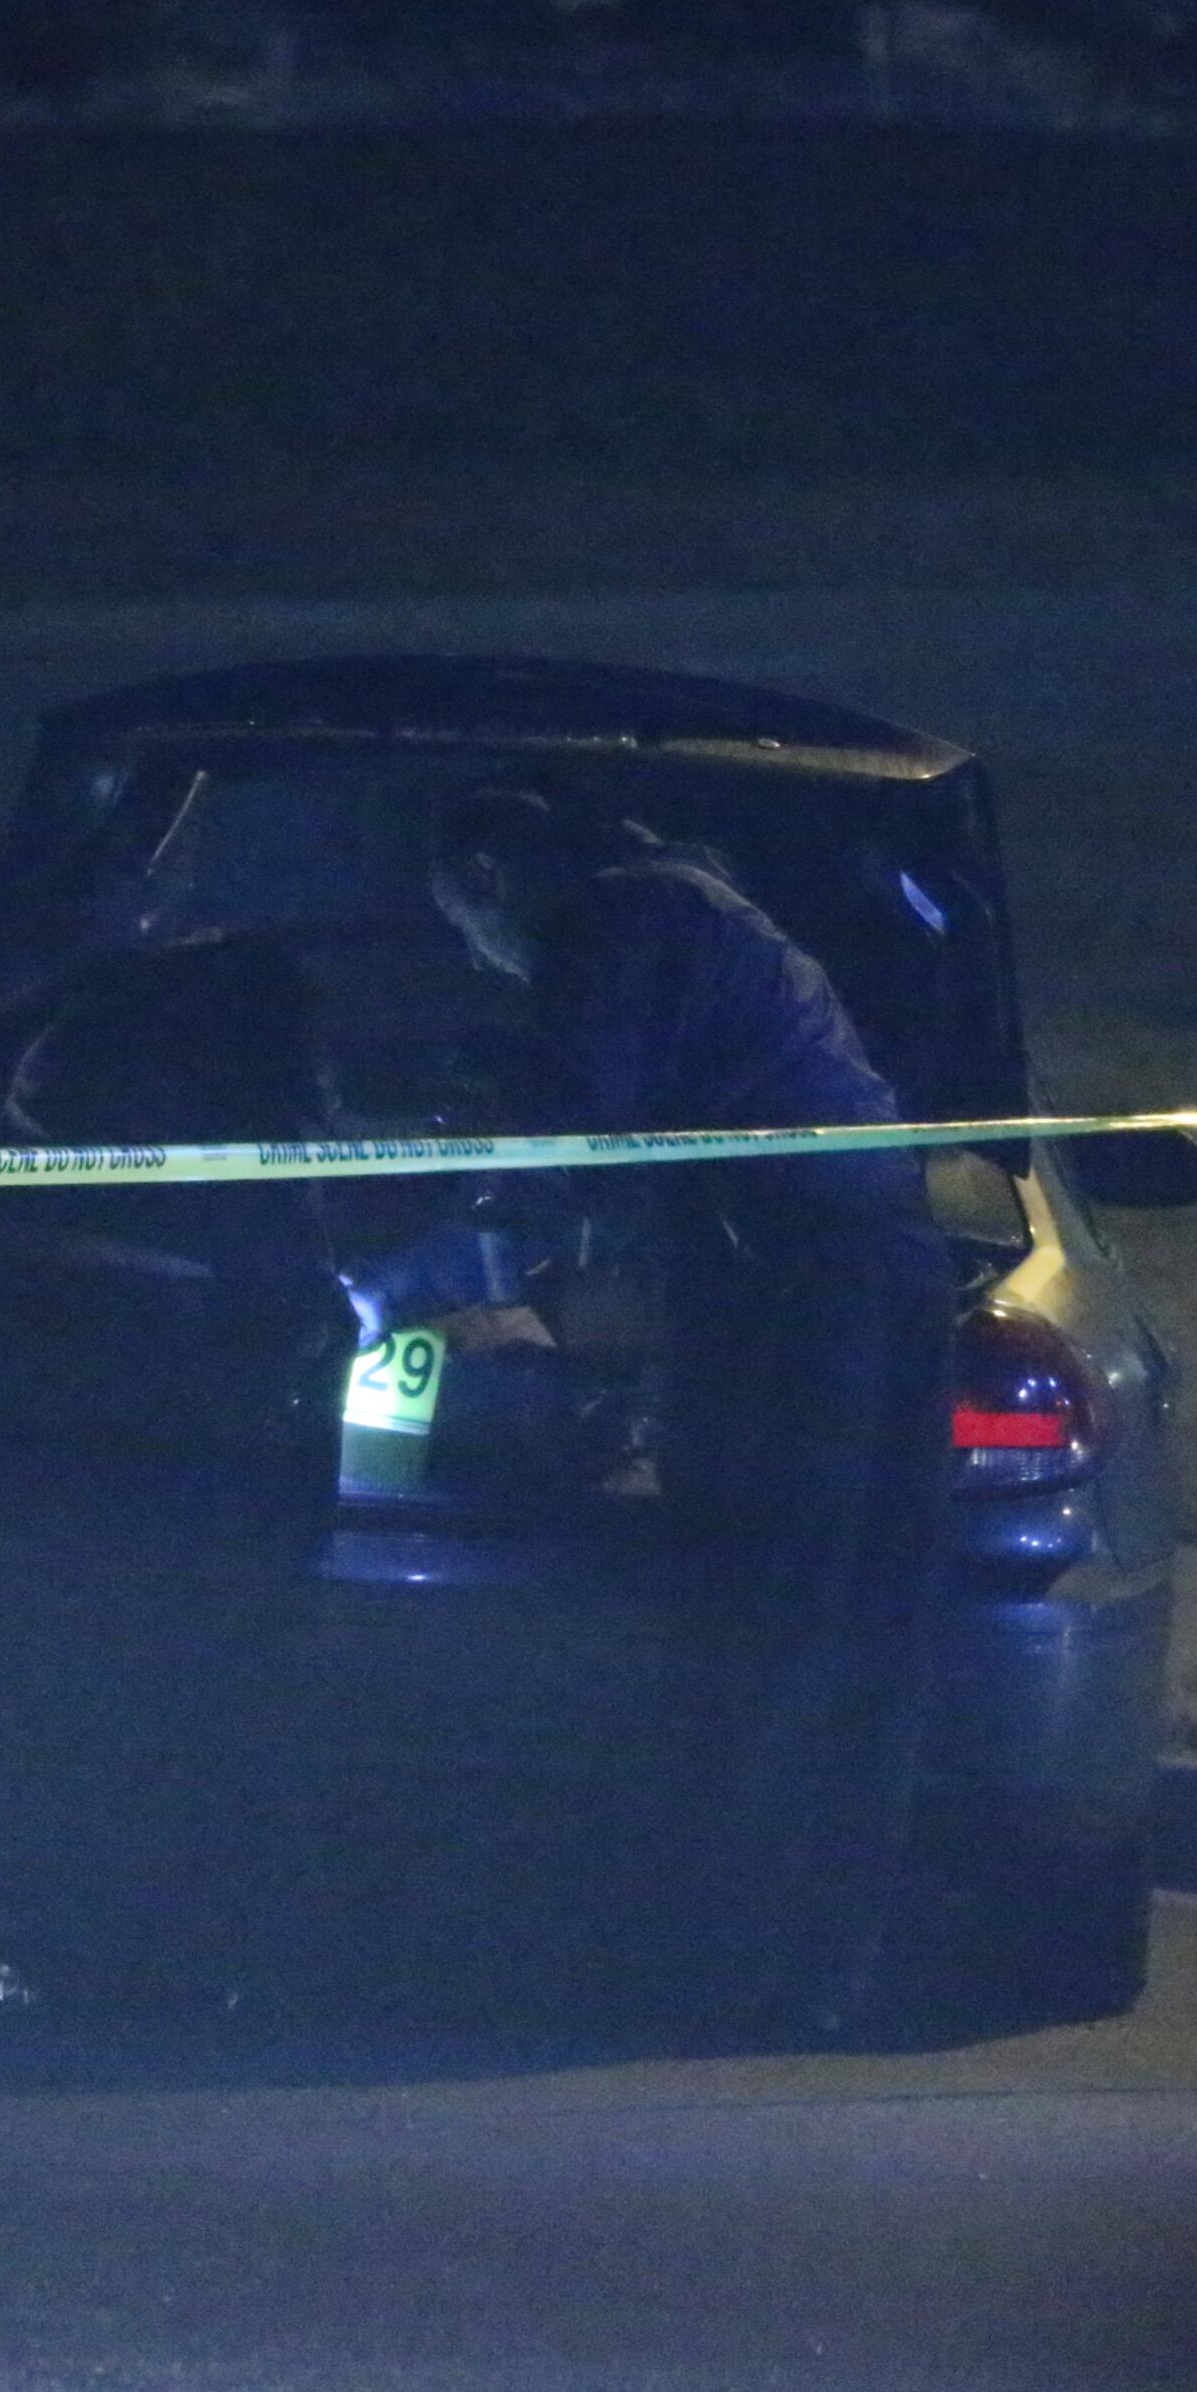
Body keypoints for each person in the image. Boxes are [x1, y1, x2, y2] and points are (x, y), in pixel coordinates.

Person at [409, 785, 956, 2037]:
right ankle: (804, 1968)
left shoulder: (619, 923)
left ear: (494, 871)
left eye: (464, 927)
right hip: (841, 1284)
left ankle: (720, 1969)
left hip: (809, 1303)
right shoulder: (696, 911)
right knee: (830, 1633)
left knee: (767, 1624)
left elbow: (557, 1139)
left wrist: (401, 1281)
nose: (475, 959)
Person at [0, 935, 359, 1998]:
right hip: (157, 1397)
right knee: (178, 1680)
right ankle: (170, 1953)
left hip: (11, 1385)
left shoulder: (49, 1025)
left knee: (25, 1674)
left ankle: (49, 1943)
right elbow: (293, 1253)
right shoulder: (240, 1084)